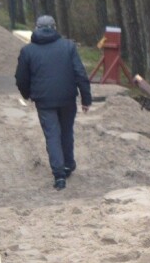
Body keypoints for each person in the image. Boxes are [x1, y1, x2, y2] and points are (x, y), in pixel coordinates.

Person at [15, 15, 92, 191]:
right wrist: (86, 99)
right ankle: (68, 164)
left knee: (52, 135)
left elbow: (21, 78)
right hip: (67, 98)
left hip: (44, 100)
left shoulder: (28, 51)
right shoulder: (68, 47)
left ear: (36, 28)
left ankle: (59, 176)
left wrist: (28, 94)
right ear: (54, 27)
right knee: (66, 131)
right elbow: (80, 73)